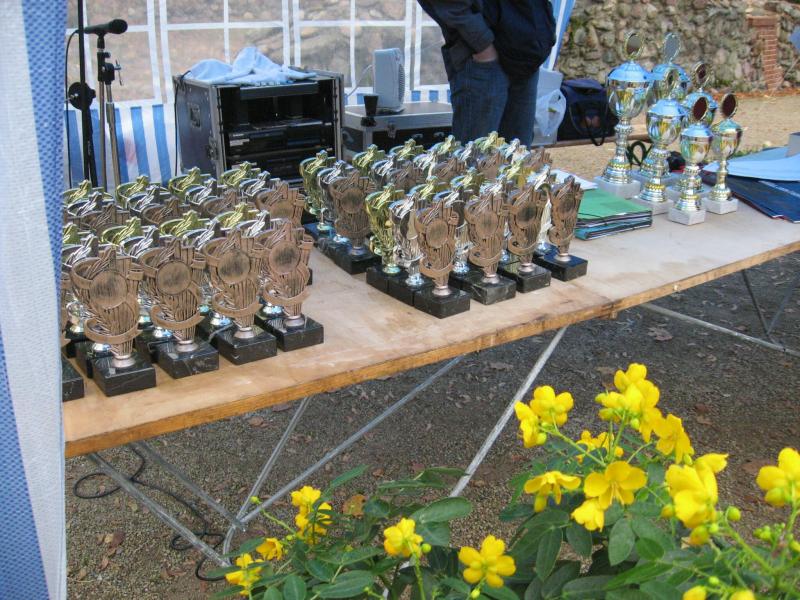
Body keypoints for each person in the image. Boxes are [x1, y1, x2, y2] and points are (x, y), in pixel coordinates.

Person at [417, 0, 556, 146]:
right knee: (476, 156)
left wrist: (545, 26)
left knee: (517, 155)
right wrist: (482, 44)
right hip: (484, 60)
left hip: (527, 54)